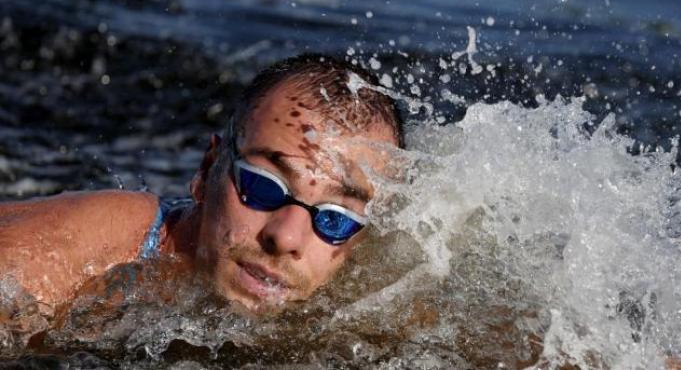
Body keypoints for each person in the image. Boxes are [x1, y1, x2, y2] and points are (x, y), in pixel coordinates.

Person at [0, 54, 402, 314]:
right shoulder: (60, 264)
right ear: (207, 170)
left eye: (336, 218)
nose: (286, 237)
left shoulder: (376, 302)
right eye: (264, 186)